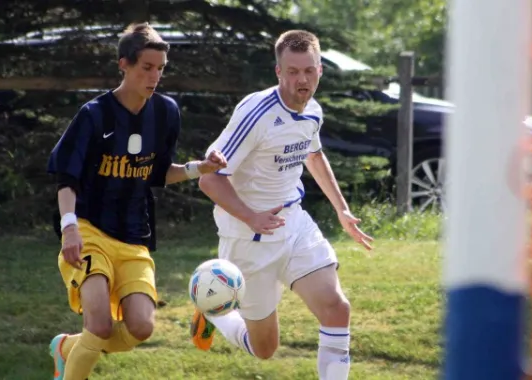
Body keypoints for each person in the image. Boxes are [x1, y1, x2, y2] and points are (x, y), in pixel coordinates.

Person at [46, 22, 227, 380]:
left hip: (134, 237)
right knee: (97, 324)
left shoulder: (166, 113)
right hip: (89, 229)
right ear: (123, 65)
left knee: (142, 328)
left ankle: (67, 348)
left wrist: (199, 168)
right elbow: (66, 178)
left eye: (160, 68)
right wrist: (69, 229)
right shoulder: (94, 115)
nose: (155, 76)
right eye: (147, 67)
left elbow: (157, 173)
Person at [190, 29, 373, 380]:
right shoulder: (256, 113)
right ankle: (215, 310)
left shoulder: (313, 111)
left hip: (295, 224)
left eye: (308, 70)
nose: (301, 79)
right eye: (292, 71)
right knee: (265, 348)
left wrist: (342, 209)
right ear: (278, 72)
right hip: (248, 239)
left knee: (337, 308)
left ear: (320, 70)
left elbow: (314, 155)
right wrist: (252, 217)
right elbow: (209, 178)